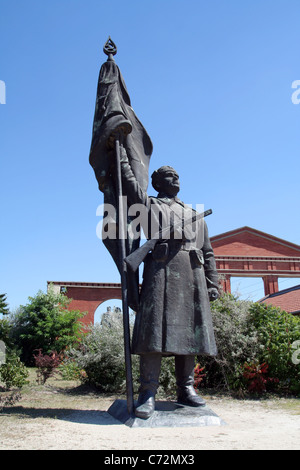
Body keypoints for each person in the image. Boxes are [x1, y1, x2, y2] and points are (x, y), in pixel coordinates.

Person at [119, 147, 219, 419]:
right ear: (156, 183)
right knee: (154, 333)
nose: (175, 180)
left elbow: (208, 251)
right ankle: (148, 393)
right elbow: (129, 184)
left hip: (191, 275)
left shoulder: (192, 212)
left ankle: (186, 389)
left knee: (189, 336)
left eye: (177, 177)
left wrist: (213, 283)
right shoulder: (148, 205)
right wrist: (120, 155)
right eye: (169, 176)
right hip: (160, 272)